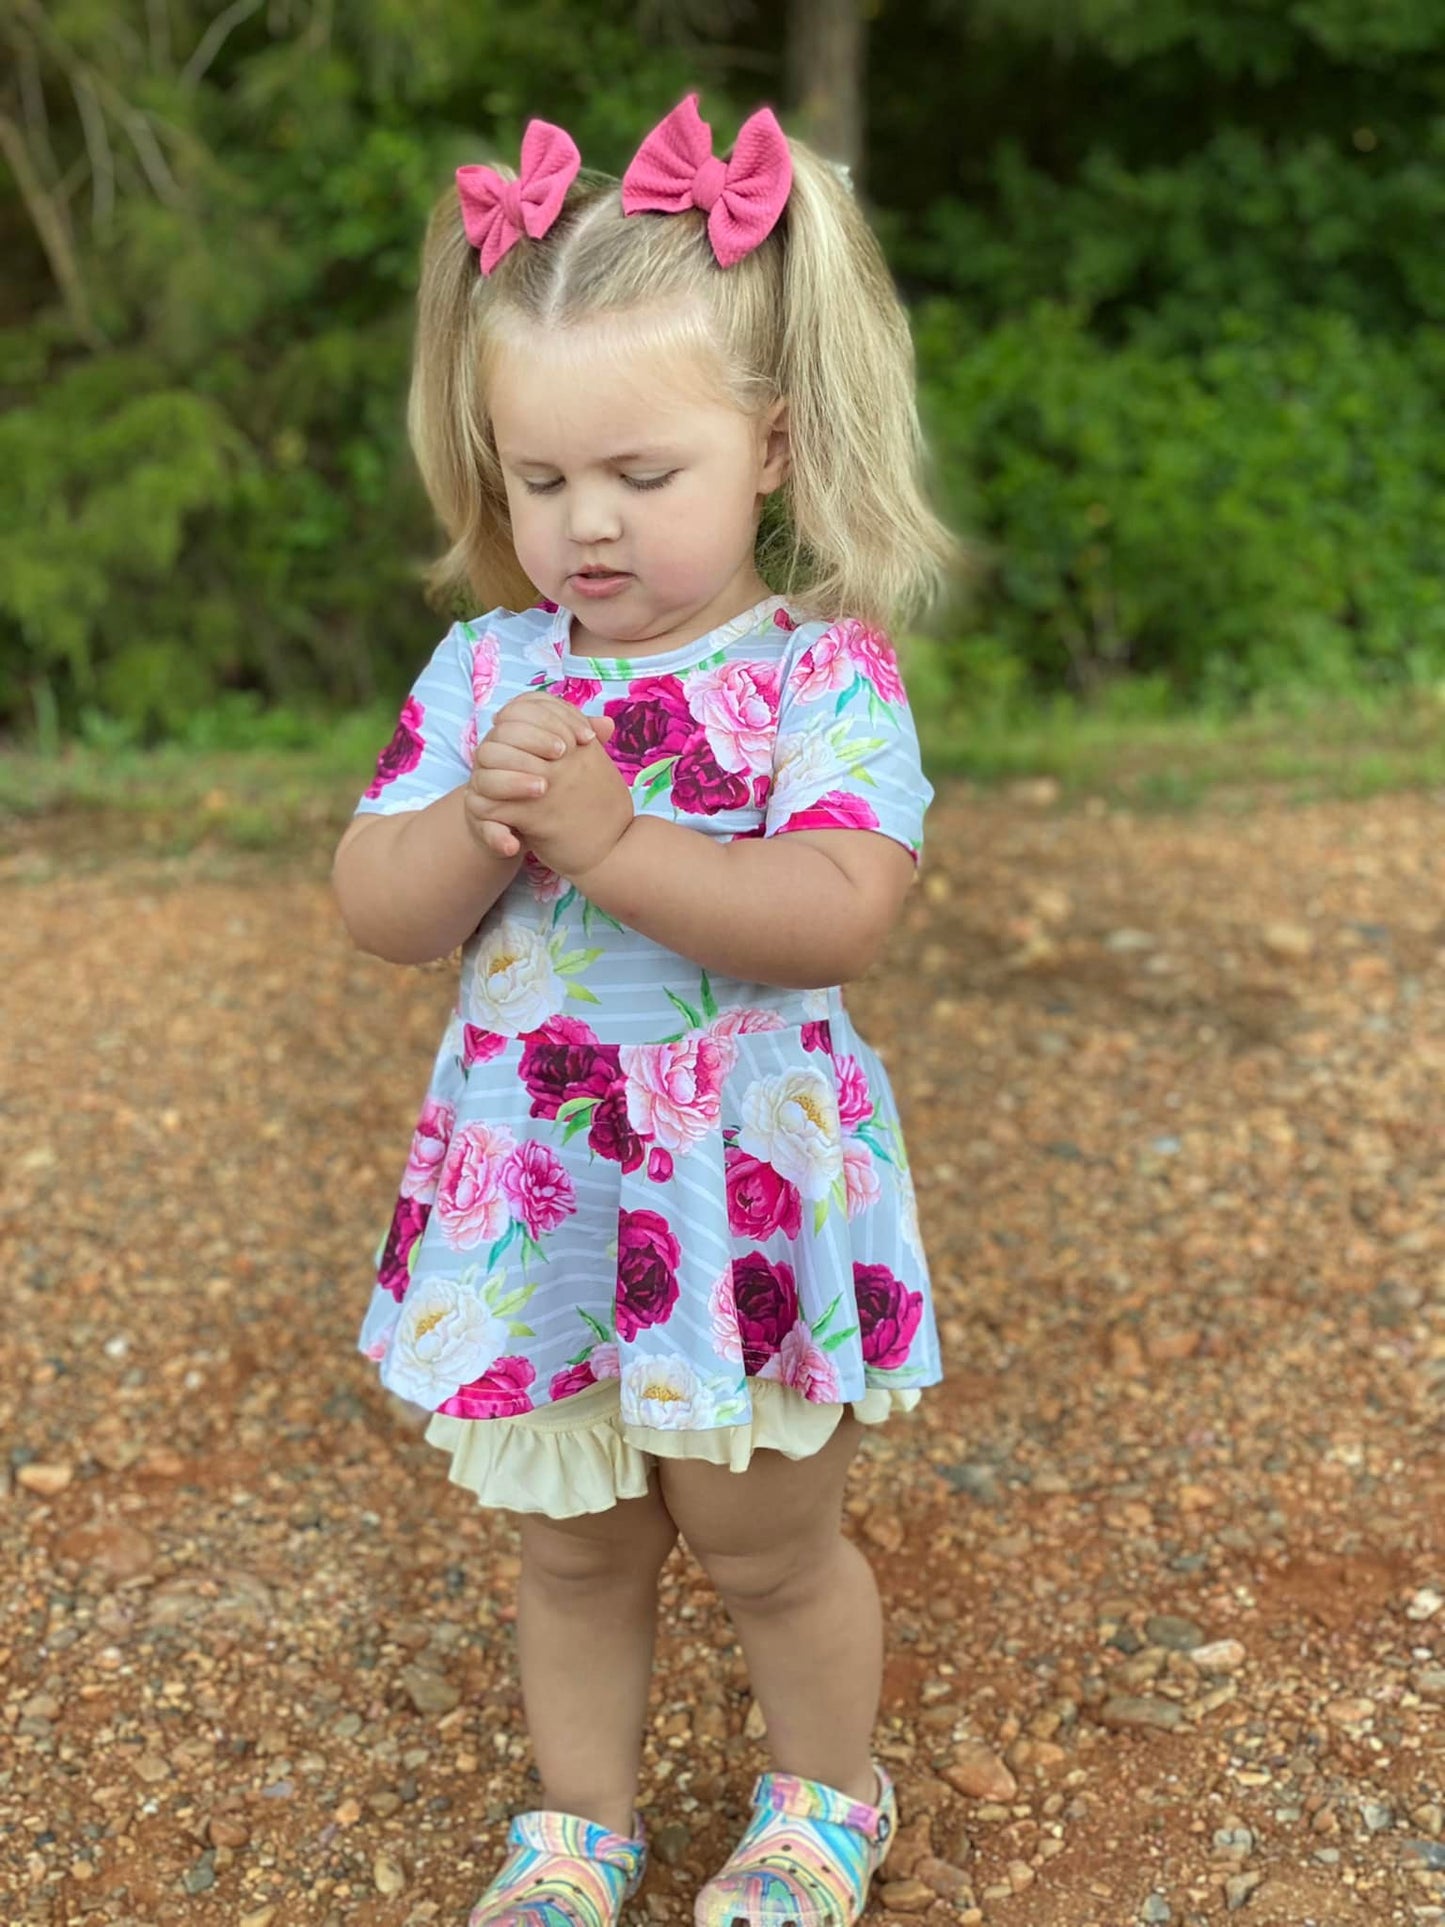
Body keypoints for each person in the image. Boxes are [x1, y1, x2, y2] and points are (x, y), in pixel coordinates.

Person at [331, 90, 958, 1927]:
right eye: (540, 483)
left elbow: (838, 912)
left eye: (639, 476)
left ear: (764, 449)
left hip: (734, 1193)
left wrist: (606, 838)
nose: (583, 525)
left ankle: (824, 1797)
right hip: (542, 1186)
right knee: (574, 1543)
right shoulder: (488, 670)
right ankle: (577, 1827)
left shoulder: (816, 678)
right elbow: (373, 906)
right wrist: (473, 822)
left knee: (764, 1540)